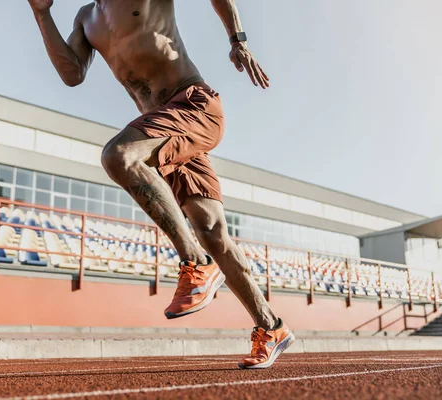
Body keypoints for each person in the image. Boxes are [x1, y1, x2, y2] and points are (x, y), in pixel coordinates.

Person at [28, 0, 294, 369]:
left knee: (119, 156)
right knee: (214, 231)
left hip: (193, 106)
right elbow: (72, 74)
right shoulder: (86, 18)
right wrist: (41, 13)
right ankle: (271, 327)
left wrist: (238, 40)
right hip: (164, 128)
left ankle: (195, 262)